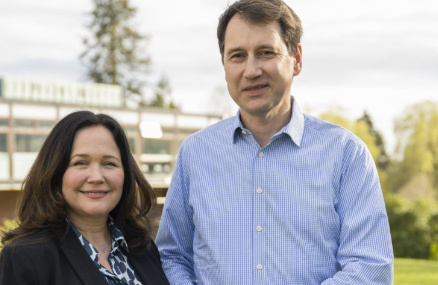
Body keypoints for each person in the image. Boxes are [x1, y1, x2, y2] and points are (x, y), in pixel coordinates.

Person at [156, 0, 394, 284]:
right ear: (224, 66)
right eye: (237, 56)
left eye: (265, 52)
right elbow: (172, 257)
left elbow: (371, 267)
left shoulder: (346, 155)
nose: (251, 70)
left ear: (297, 59)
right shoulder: (195, 154)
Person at [0, 111, 170, 285]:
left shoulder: (143, 248)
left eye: (109, 163)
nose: (96, 177)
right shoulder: (24, 257)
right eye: (80, 163)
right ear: (55, 172)